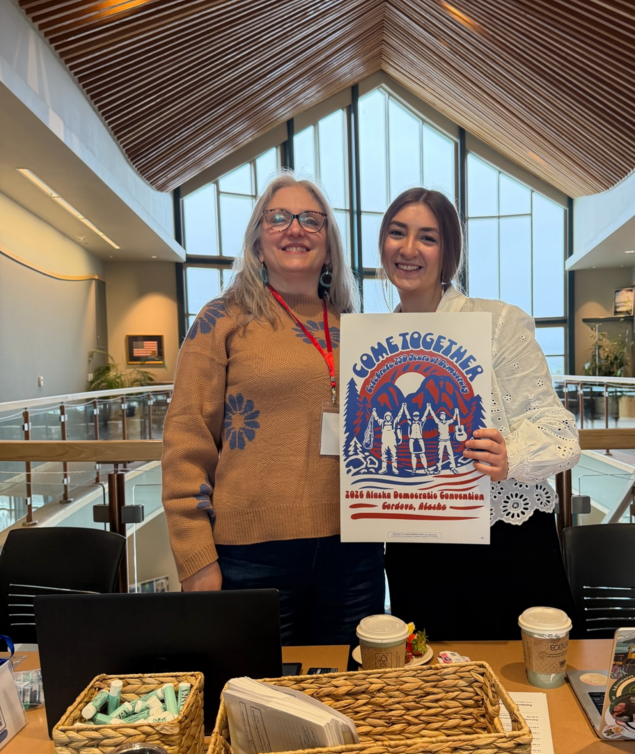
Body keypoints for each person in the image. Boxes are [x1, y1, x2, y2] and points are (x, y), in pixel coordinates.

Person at [162, 172, 384, 646]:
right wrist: (195, 556)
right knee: (258, 706)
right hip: (250, 556)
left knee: (348, 698)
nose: (295, 228)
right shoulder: (220, 320)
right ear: (258, 244)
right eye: (278, 217)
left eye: (311, 219)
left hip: (355, 550)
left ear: (329, 247)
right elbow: (186, 441)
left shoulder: (360, 330)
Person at [379, 187, 581, 640]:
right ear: (382, 244)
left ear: (448, 253)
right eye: (397, 233)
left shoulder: (498, 323)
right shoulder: (371, 344)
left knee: (531, 688)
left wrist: (511, 454)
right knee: (438, 691)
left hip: (505, 538)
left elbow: (561, 432)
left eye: (427, 238)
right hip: (416, 546)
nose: (409, 249)